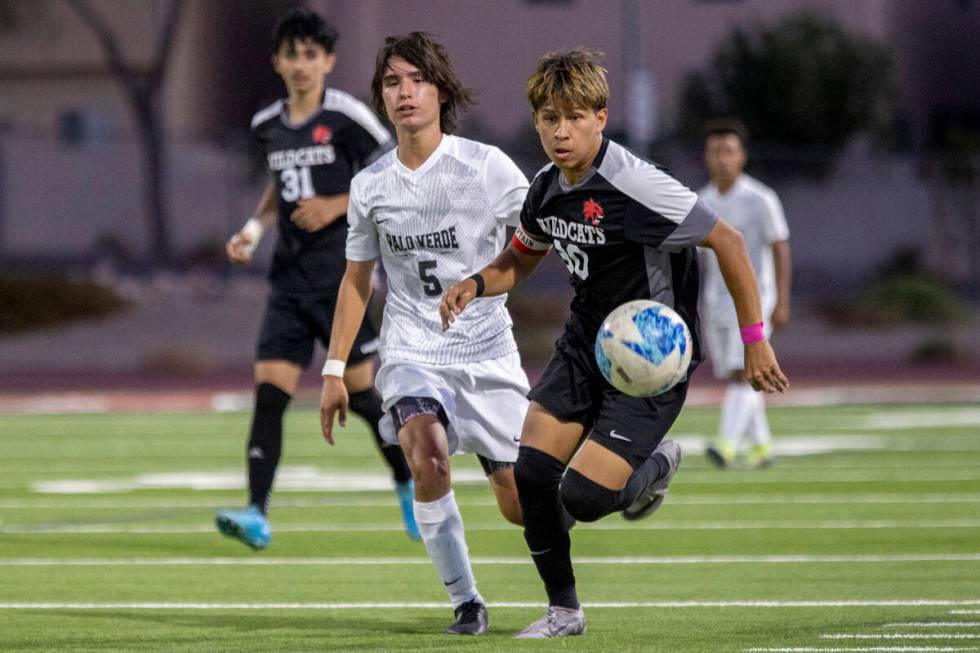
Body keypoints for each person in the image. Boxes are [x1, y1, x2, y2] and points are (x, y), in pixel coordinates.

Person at [441, 50, 789, 639]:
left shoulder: (638, 185)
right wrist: (476, 284)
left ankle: (656, 464)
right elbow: (520, 259)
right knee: (530, 475)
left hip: (651, 359)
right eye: (549, 118)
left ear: (600, 118)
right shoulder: (547, 189)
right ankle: (564, 612)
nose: (560, 130)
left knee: (583, 497)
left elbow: (727, 241)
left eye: (574, 117)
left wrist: (756, 341)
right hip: (585, 344)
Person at [318, 32, 529, 636]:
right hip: (411, 351)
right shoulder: (370, 185)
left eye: (416, 79)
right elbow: (357, 282)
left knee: (522, 505)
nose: (405, 92)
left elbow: (538, 237)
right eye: (391, 82)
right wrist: (335, 371)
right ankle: (466, 601)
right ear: (382, 98)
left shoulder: (487, 167)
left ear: (442, 90)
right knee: (426, 452)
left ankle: (620, 488)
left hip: (488, 352)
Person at [215, 8, 418, 550]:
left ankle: (409, 488)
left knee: (365, 397)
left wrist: (335, 203)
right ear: (276, 62)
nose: (302, 64)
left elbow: (396, 170)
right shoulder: (268, 126)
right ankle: (257, 513)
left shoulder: (347, 116)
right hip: (288, 284)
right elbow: (277, 190)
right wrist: (252, 232)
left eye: (312, 54)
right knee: (269, 397)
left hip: (340, 281)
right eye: (292, 55)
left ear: (328, 60)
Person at [699, 119, 792, 469]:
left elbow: (780, 248)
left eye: (728, 151)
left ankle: (726, 444)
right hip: (715, 302)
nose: (721, 158)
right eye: (714, 151)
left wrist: (781, 300)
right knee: (738, 374)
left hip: (756, 299)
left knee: (744, 371)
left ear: (742, 157)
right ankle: (762, 446)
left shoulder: (761, 199)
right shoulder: (700, 201)